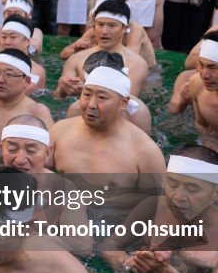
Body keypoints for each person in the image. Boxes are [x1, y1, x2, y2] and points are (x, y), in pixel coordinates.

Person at [102, 147, 218, 273]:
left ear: (217, 193)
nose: (178, 196)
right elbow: (110, 246)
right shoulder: (152, 207)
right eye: (173, 185)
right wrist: (130, 263)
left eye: (192, 189)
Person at [50, 66, 165, 201]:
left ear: (123, 103)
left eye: (102, 97)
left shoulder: (145, 151)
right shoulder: (60, 131)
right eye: (86, 95)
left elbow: (156, 204)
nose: (91, 104)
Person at [56, 0, 149, 98]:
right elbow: (58, 99)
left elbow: (128, 103)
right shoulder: (76, 58)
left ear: (125, 29)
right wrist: (63, 89)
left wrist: (86, 90)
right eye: (100, 25)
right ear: (94, 26)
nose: (104, 31)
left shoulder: (136, 64)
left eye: (112, 26)